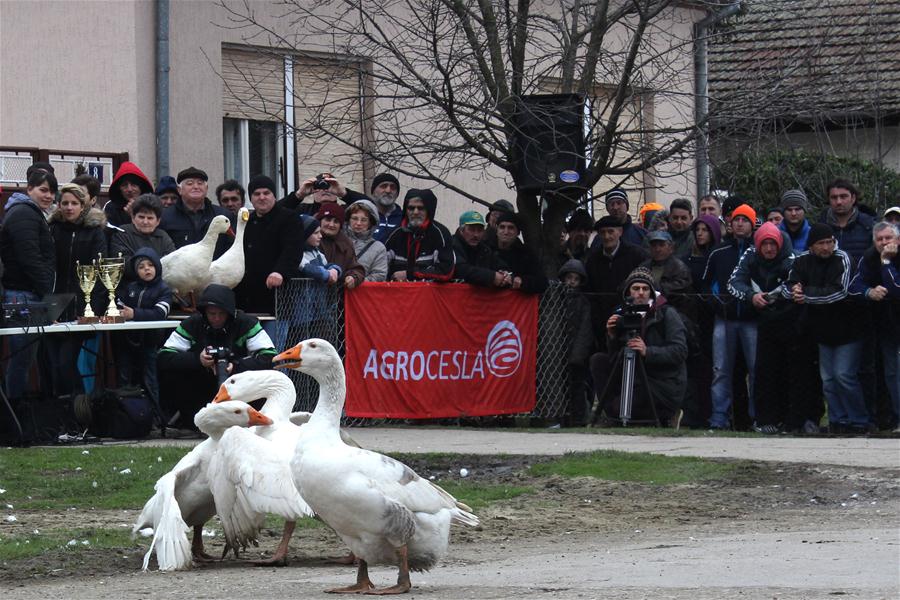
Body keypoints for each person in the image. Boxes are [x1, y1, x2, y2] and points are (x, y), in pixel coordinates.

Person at [727, 222, 820, 434]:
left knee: (795, 374)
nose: (769, 249)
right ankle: (767, 420)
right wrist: (752, 296)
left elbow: (794, 284)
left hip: (794, 323)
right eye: (765, 244)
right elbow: (733, 283)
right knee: (765, 372)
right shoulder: (750, 255)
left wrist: (769, 297)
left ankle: (794, 421)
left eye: (773, 244)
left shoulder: (792, 258)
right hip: (766, 323)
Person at [786, 223, 869, 434]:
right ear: (812, 246)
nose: (826, 247)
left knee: (844, 376)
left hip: (848, 329)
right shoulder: (803, 260)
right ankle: (837, 420)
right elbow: (789, 284)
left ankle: (858, 420)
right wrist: (794, 290)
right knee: (828, 380)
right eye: (821, 243)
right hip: (822, 331)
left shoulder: (843, 258)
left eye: (829, 242)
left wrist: (806, 295)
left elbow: (839, 291)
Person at [157, 284, 276, 429]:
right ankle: (190, 421)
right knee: (173, 373)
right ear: (204, 312)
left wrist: (236, 366)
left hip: (238, 384)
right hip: (200, 382)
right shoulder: (192, 324)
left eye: (222, 314)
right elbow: (164, 356)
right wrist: (197, 360)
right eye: (212, 314)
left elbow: (270, 357)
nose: (217, 318)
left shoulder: (246, 323)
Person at [589, 267, 688, 426]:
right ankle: (614, 416)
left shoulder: (666, 314)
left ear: (651, 292)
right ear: (628, 292)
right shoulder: (622, 314)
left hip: (660, 382)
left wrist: (647, 351)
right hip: (634, 378)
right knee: (598, 361)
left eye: (645, 289)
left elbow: (680, 351)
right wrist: (613, 337)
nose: (641, 293)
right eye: (636, 288)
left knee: (620, 407)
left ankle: (666, 416)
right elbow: (617, 359)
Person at [46, 183, 108, 397]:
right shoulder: (52, 229)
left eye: (74, 203)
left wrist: (92, 310)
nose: (69, 207)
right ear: (59, 205)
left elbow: (100, 274)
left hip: (81, 309)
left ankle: (80, 415)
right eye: (65, 203)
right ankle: (67, 417)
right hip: (54, 306)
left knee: (66, 364)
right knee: (54, 366)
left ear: (83, 205)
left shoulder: (94, 232)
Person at [0, 169, 57, 400]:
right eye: (43, 190)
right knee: (22, 359)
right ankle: (14, 415)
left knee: (24, 359)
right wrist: (47, 294)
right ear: (29, 189)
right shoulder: (24, 214)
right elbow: (29, 257)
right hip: (23, 296)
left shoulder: (30, 213)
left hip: (26, 293)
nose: (49, 196)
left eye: (53, 192)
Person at [702, 203, 758, 430]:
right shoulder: (718, 253)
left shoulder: (758, 251)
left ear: (752, 224)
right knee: (720, 370)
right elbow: (705, 286)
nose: (740, 223)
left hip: (752, 320)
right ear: (730, 224)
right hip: (724, 319)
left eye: (745, 220)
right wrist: (717, 305)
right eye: (736, 220)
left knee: (756, 370)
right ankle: (719, 418)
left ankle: (758, 417)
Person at [233, 175, 302, 341]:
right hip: (245, 302)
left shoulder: (289, 218)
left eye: (266, 193)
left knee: (273, 354)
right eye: (257, 194)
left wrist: (280, 272)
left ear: (274, 196)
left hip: (275, 301)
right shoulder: (246, 221)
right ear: (250, 198)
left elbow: (293, 250)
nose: (262, 197)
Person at [849, 222, 900, 433]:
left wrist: (887, 263)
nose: (884, 243)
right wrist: (869, 292)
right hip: (885, 327)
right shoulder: (869, 257)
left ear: (897, 240)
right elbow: (853, 285)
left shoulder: (886, 259)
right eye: (879, 239)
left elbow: (896, 289)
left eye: (888, 238)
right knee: (891, 374)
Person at [113, 247, 172, 411]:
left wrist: (134, 313)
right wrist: (118, 307)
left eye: (150, 265)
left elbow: (160, 313)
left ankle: (154, 417)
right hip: (127, 341)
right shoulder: (130, 288)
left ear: (157, 267)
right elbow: (119, 303)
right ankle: (124, 414)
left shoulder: (164, 289)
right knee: (124, 377)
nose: (146, 269)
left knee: (150, 379)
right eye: (141, 266)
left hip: (151, 342)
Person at [584, 215, 648, 350]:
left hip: (632, 317)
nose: (607, 236)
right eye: (603, 232)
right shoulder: (592, 260)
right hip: (601, 319)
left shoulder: (637, 255)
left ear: (620, 232)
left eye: (611, 231)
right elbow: (590, 292)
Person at [384, 189, 456, 281]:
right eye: (411, 208)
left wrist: (410, 274)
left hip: (428, 293)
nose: (415, 212)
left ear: (429, 210)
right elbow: (381, 268)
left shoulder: (440, 234)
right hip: (398, 293)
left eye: (421, 208)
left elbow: (446, 272)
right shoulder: (395, 234)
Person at [159, 166, 234, 253]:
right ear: (179, 190)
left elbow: (231, 249)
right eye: (190, 183)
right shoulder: (165, 217)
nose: (196, 187)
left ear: (206, 189)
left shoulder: (222, 216)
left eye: (200, 183)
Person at [558, 259, 595, 426]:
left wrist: (577, 355)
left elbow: (585, 331)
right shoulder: (555, 300)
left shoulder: (583, 302)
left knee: (577, 387)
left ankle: (579, 419)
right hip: (558, 351)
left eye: (576, 278)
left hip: (575, 354)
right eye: (569, 277)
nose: (572, 281)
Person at [641, 230, 694, 322]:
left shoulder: (680, 268)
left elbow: (678, 290)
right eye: (654, 245)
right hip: (647, 313)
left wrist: (652, 290)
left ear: (671, 248)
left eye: (661, 245)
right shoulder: (643, 267)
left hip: (675, 314)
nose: (657, 249)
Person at [109, 194, 176, 262]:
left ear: (158, 221)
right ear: (133, 218)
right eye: (141, 217)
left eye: (150, 218)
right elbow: (121, 260)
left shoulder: (163, 237)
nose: (145, 222)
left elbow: (172, 260)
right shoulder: (122, 234)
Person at [493, 212, 548, 293]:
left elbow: (542, 283)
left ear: (518, 232)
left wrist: (520, 281)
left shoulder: (526, 254)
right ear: (496, 230)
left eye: (510, 228)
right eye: (502, 227)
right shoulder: (486, 250)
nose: (506, 232)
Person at [315, 202, 365, 289]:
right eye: (328, 219)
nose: (331, 224)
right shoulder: (309, 238)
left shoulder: (346, 243)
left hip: (336, 297)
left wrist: (353, 278)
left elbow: (356, 268)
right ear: (320, 221)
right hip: (310, 294)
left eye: (336, 222)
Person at [451, 210, 506, 288]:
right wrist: (491, 276)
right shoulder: (451, 245)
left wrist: (505, 275)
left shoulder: (484, 249)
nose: (476, 235)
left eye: (479, 230)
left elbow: (500, 265)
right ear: (461, 230)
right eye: (471, 230)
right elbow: (460, 269)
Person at [345, 198, 388, 283]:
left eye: (364, 220)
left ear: (371, 222)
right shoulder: (339, 240)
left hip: (361, 293)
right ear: (348, 220)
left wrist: (357, 282)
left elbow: (380, 274)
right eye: (354, 218)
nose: (358, 223)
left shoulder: (378, 248)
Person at [104, 162, 153, 227]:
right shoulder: (111, 208)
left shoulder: (152, 205)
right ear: (119, 189)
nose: (129, 189)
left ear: (141, 187)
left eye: (133, 184)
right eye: (124, 185)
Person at [369, 173, 403, 243]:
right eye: (383, 186)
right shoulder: (366, 217)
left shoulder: (404, 219)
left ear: (397, 194)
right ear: (373, 192)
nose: (388, 190)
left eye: (393, 187)